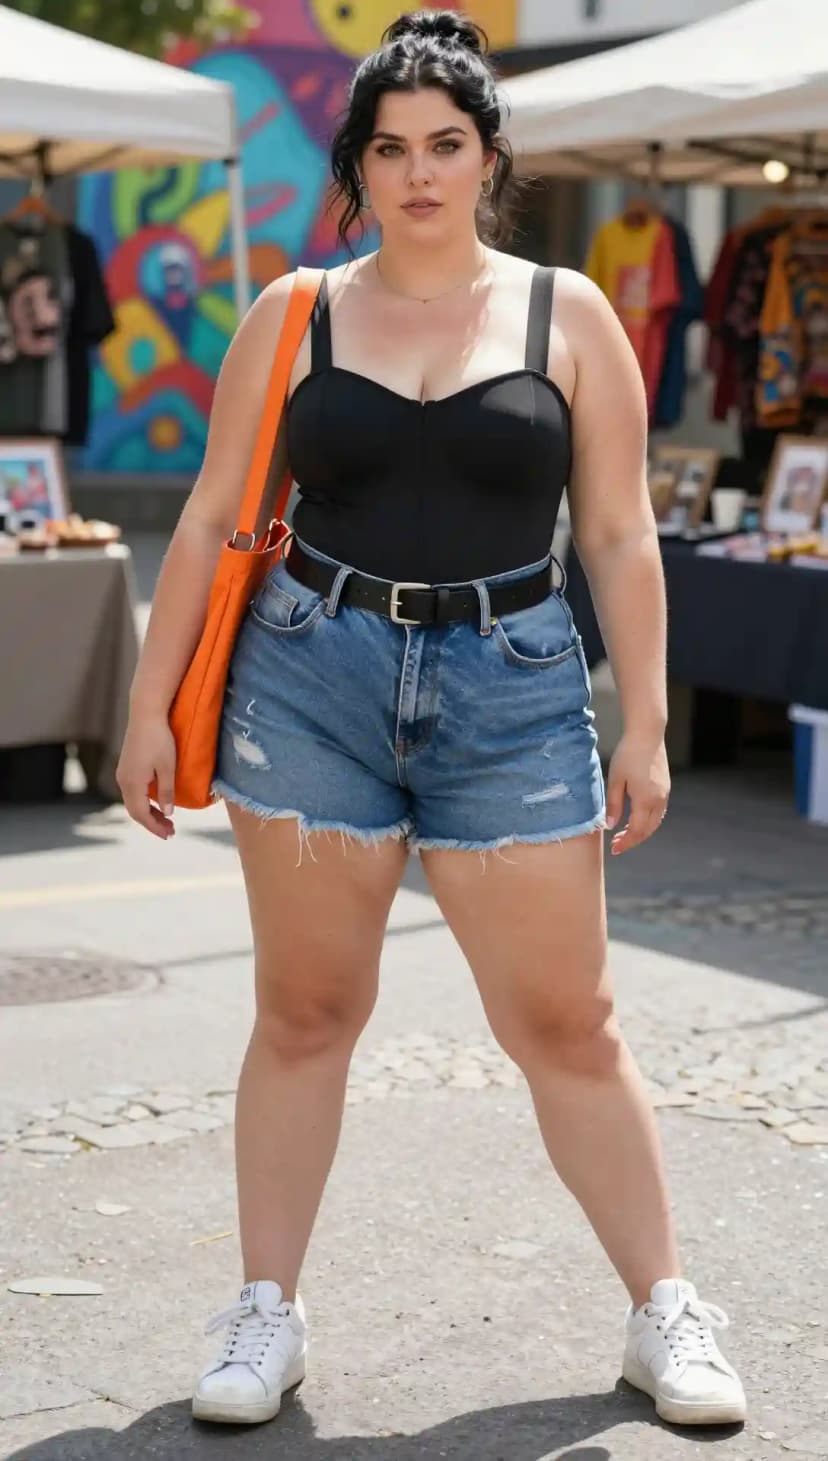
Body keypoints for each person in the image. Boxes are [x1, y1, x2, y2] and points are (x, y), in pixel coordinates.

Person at [116, 7, 746, 1433]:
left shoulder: (566, 313)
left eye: (444, 146)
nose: (417, 173)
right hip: (309, 677)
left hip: (516, 690)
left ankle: (666, 1310)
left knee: (568, 1021)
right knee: (307, 1010)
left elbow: (623, 533)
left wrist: (644, 724)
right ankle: (265, 1309)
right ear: (358, 162)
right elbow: (215, 515)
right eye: (389, 147)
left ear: (486, 158)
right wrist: (147, 708)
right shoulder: (296, 313)